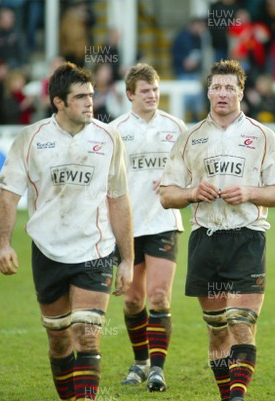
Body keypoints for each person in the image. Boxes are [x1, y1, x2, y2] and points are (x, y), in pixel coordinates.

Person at [0, 62, 134, 401]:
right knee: (58, 340)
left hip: (95, 251)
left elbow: (118, 200)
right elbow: (9, 196)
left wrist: (127, 258)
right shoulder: (31, 138)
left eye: (91, 95)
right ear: (58, 102)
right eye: (81, 97)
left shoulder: (109, 138)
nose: (90, 102)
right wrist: (3, 245)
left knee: (86, 335)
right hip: (48, 250)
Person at [159, 59, 275, 401]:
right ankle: (226, 395)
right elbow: (167, 195)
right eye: (217, 86)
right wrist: (191, 193)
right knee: (217, 330)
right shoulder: (190, 138)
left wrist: (248, 192)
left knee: (241, 323)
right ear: (208, 91)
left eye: (229, 87)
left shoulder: (261, 136)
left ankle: (237, 397)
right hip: (205, 239)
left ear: (241, 92)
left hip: (247, 236)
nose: (222, 93)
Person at [109, 63, 186, 392]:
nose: (152, 95)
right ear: (130, 95)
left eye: (155, 90)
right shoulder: (114, 131)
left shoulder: (176, 127)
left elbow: (192, 170)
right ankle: (139, 361)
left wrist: (174, 180)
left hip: (163, 221)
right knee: (132, 301)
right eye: (145, 91)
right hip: (127, 226)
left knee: (158, 296)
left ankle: (157, 368)